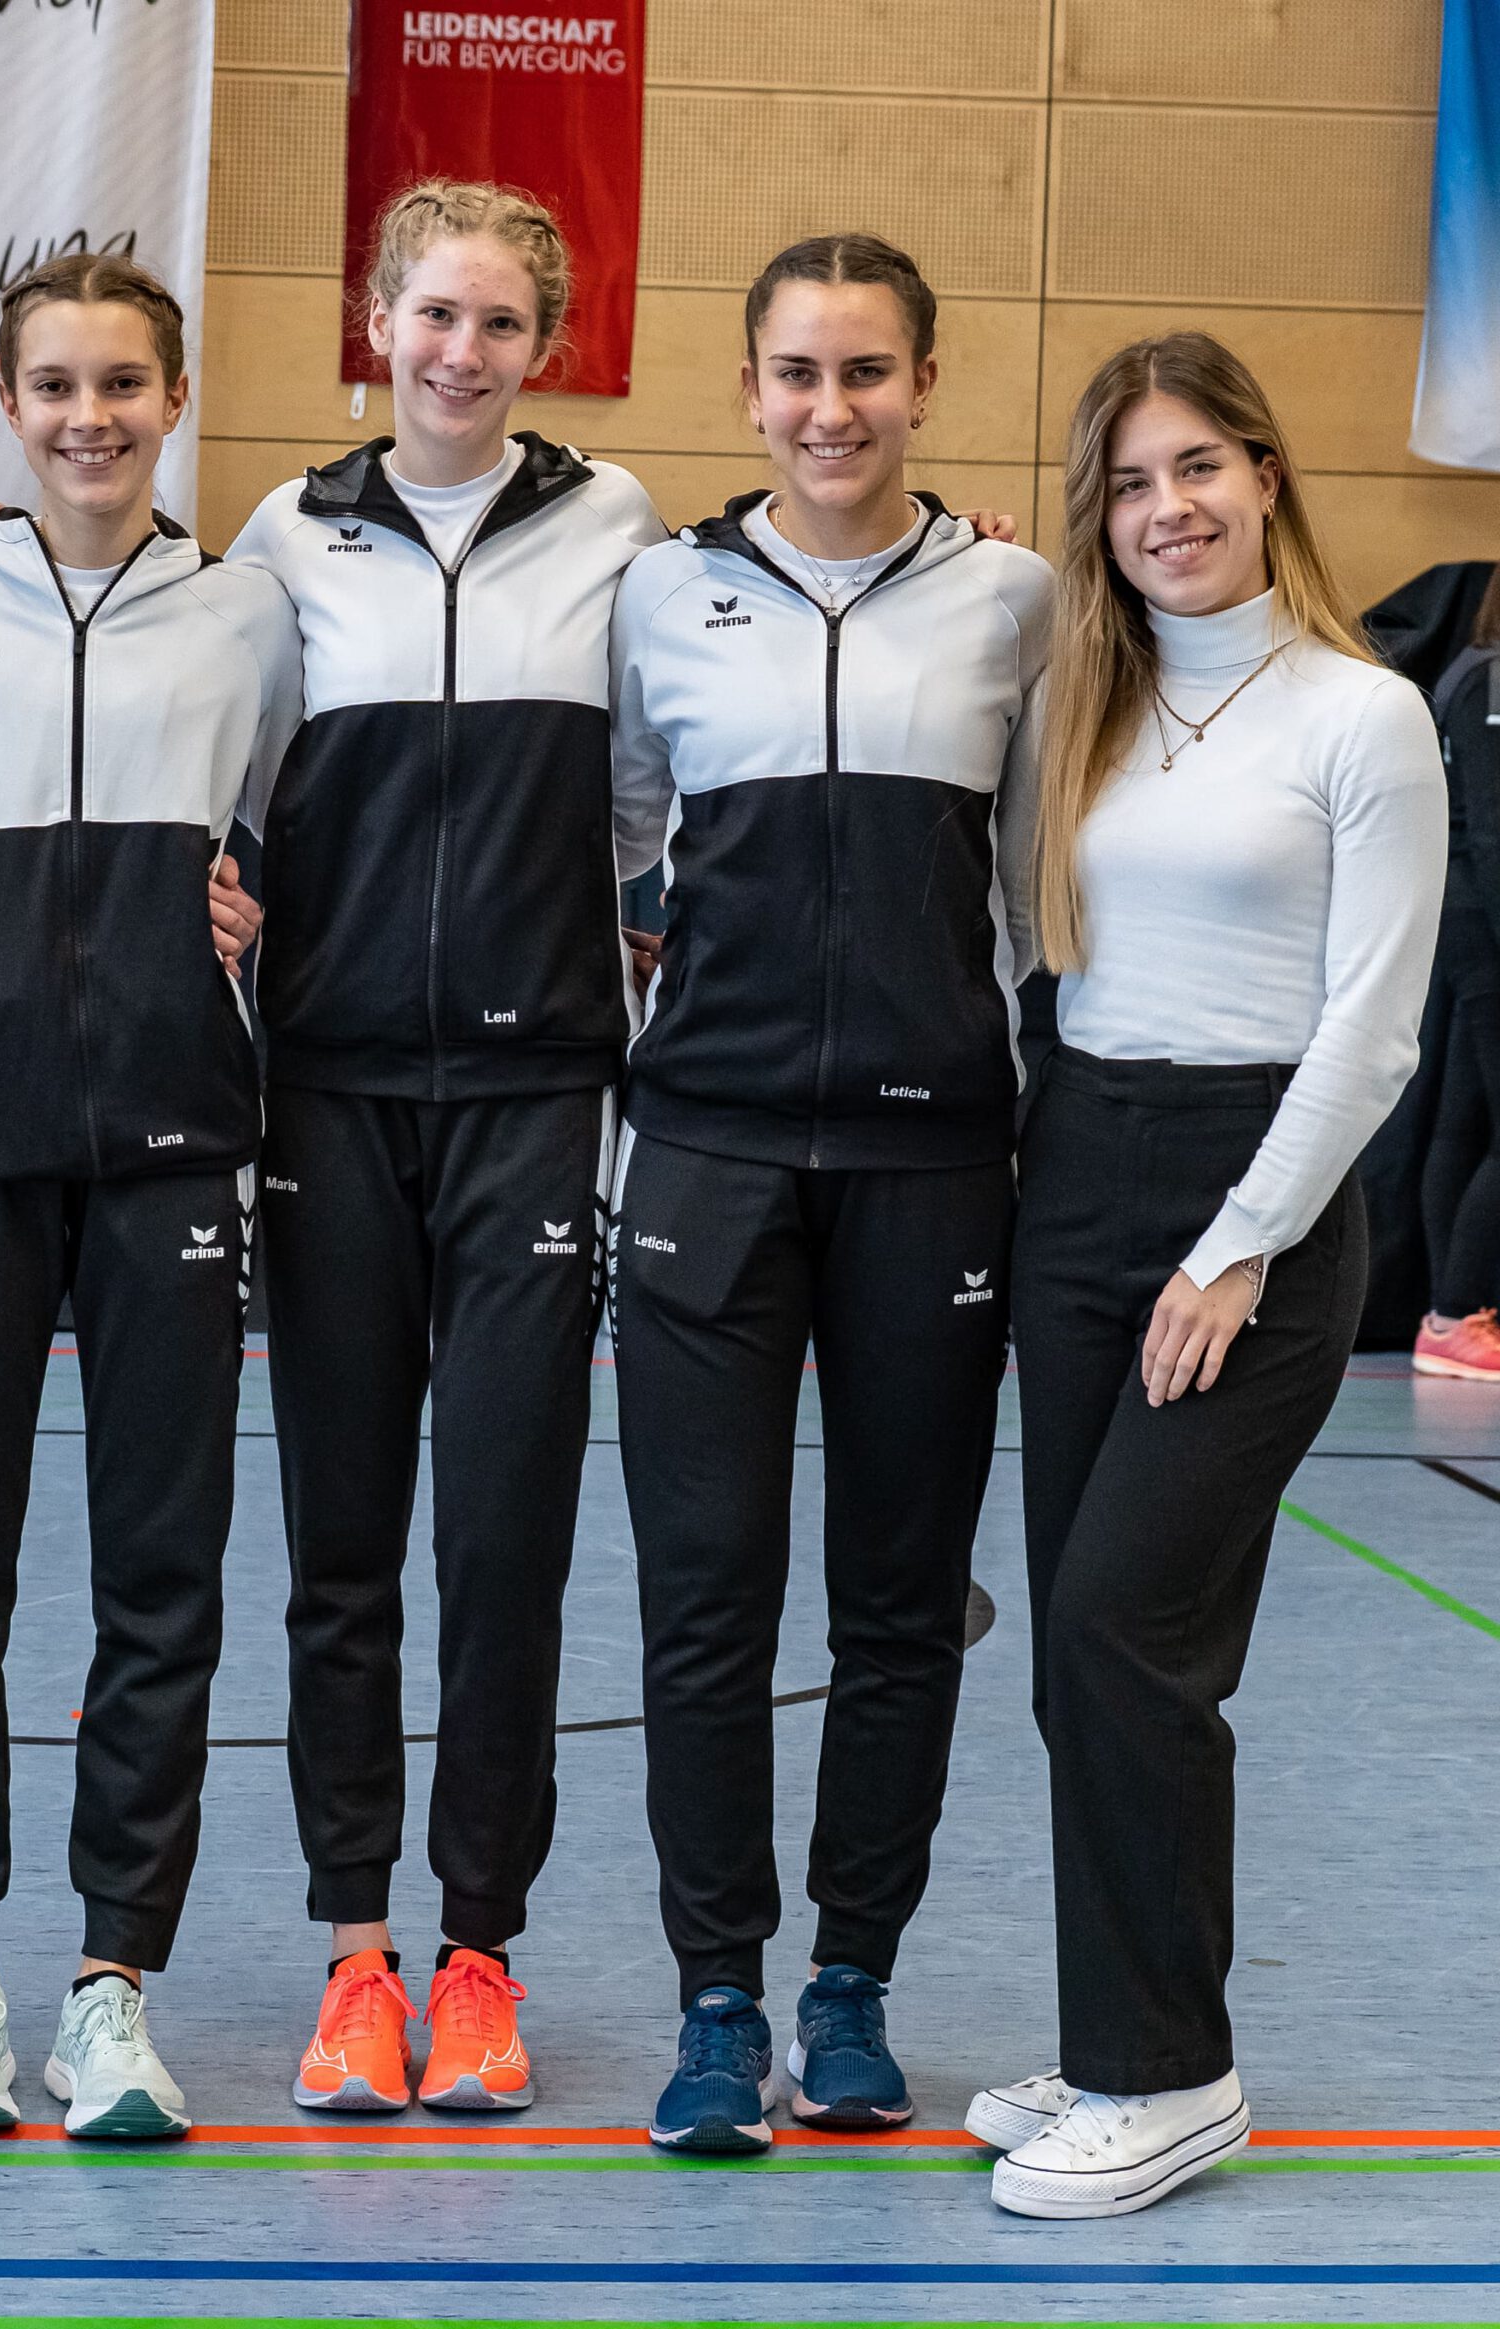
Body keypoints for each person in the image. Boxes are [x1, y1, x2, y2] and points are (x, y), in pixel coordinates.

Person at [972, 333, 1441, 2219]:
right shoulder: (1077, 700)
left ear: (1266, 477)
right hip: (1077, 1170)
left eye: (1199, 469)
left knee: (1118, 1629)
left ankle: (1170, 2073)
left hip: (1260, 1205)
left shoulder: (1359, 713)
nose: (1168, 510)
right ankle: (1118, 2035)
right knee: (1094, 1667)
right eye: (1131, 481)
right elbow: (1038, 951)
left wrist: (1241, 1243)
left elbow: (1377, 1025)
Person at [607, 233, 1053, 2152]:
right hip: (701, 1156)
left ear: (926, 387)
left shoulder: (1016, 598)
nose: (832, 409)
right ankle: (717, 1997)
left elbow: (1040, 885)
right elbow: (626, 825)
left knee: (892, 1610)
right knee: (703, 1607)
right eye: (798, 373)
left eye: (868, 372)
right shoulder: (658, 594)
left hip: (932, 1163)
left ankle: (850, 1980)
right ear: (749, 391)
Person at [226, 180, 667, 2113]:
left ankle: (479, 1948)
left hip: (533, 1101)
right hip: (325, 1098)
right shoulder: (284, 537)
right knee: (343, 1553)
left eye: (499, 324)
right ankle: (353, 1950)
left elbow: (654, 788)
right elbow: (219, 782)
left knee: (503, 1541)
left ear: (541, 347)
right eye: (431, 316)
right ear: (373, 320)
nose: (460, 353)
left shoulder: (618, 528)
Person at [0, 251, 301, 2141]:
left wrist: (240, 911)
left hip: (174, 1150)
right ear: (7, 401)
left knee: (160, 1581)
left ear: (172, 396)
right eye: (53, 386)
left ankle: (114, 1980)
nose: (90, 418)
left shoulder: (251, 614)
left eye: (123, 383)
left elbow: (273, 830)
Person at [1412, 575, 1500, 1380]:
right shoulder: (1488, 677)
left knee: (1466, 1117)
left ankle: (1454, 1311)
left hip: (1469, 924)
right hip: (1481, 926)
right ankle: (1452, 1314)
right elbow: (1492, 826)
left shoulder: (1473, 670)